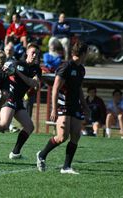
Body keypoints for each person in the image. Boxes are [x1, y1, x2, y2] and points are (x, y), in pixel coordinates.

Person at [36, 41, 89, 174]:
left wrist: (85, 105)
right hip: (63, 105)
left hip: (75, 106)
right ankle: (42, 155)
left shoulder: (81, 69)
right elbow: (55, 88)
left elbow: (79, 89)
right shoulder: (66, 67)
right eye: (87, 53)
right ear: (82, 54)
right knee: (61, 137)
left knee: (76, 135)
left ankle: (66, 167)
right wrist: (54, 109)